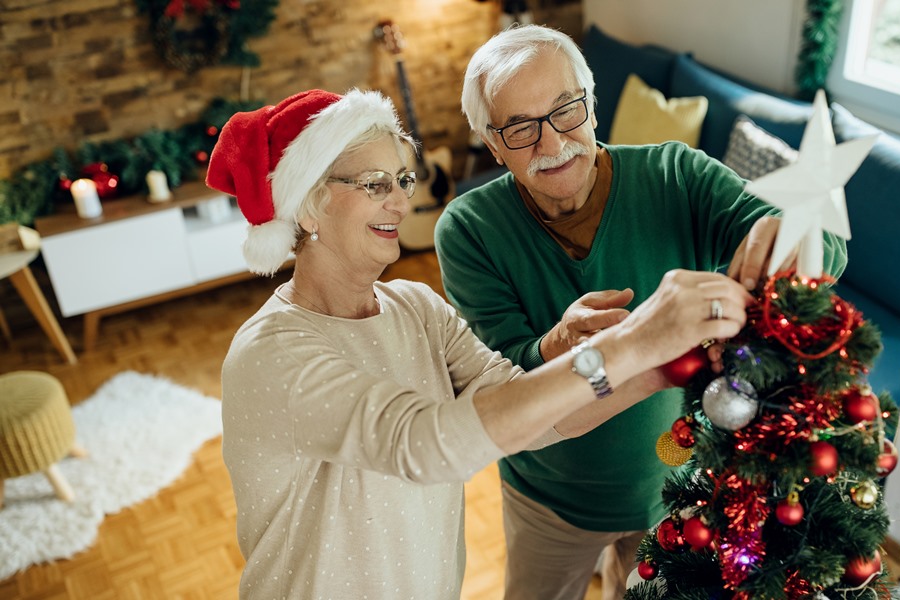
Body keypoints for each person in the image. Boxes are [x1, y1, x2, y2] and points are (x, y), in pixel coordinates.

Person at [205, 88, 755, 599]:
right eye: (376, 184)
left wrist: (661, 369)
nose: (398, 201)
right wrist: (635, 340)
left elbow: (532, 411)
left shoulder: (416, 307)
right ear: (306, 204)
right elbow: (424, 443)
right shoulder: (271, 353)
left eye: (403, 180)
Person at [434, 24, 848, 600]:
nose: (551, 144)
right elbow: (503, 386)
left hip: (674, 490)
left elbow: (825, 253)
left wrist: (789, 237)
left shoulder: (678, 175)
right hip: (549, 500)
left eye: (565, 111)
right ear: (492, 143)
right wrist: (553, 347)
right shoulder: (467, 229)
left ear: (592, 105)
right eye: (520, 129)